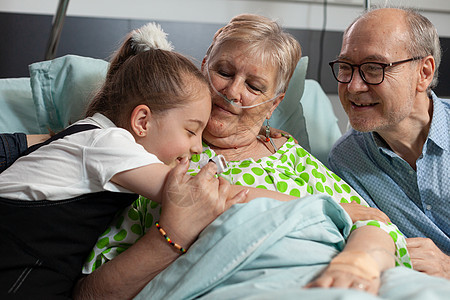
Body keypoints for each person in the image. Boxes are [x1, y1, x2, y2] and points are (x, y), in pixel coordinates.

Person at [76, 14, 416, 299]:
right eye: (224, 72)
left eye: (254, 86)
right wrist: (171, 236)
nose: (233, 92)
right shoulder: (157, 151)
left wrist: (357, 261)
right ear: (204, 66)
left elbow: (378, 225)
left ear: (275, 103)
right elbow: (93, 291)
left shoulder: (295, 159)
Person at [0, 22, 255, 298]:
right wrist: (303, 206)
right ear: (142, 121)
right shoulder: (111, 144)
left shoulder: (95, 132)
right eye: (191, 131)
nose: (198, 148)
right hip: (18, 255)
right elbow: (194, 194)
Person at [327, 7, 449, 279]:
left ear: (424, 72)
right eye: (346, 67)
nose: (353, 87)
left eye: (374, 68)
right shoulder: (345, 162)